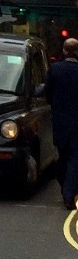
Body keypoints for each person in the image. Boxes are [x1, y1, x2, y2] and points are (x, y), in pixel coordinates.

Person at [46, 36, 78, 210]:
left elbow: (47, 93)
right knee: (74, 159)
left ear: (64, 51)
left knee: (63, 156)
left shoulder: (55, 69)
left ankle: (65, 188)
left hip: (60, 122)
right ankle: (69, 193)